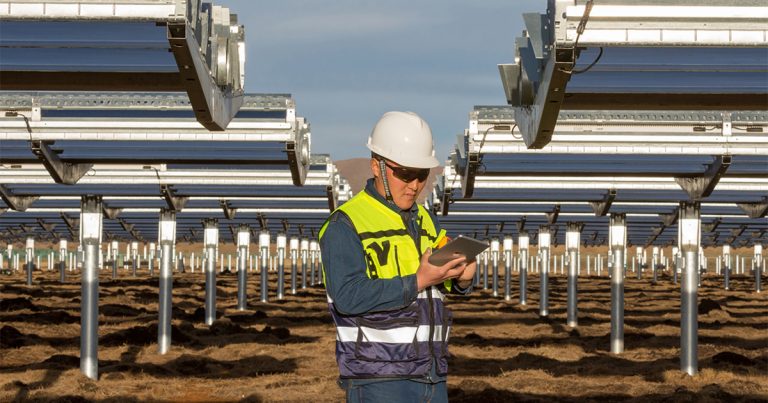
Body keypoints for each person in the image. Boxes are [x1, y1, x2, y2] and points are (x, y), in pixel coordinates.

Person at [319, 111, 476, 403]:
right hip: (379, 378)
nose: (414, 185)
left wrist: (462, 279)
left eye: (422, 175)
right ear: (376, 166)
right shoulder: (346, 224)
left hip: (432, 374)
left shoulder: (426, 220)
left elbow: (436, 285)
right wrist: (417, 281)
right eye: (405, 174)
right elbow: (348, 296)